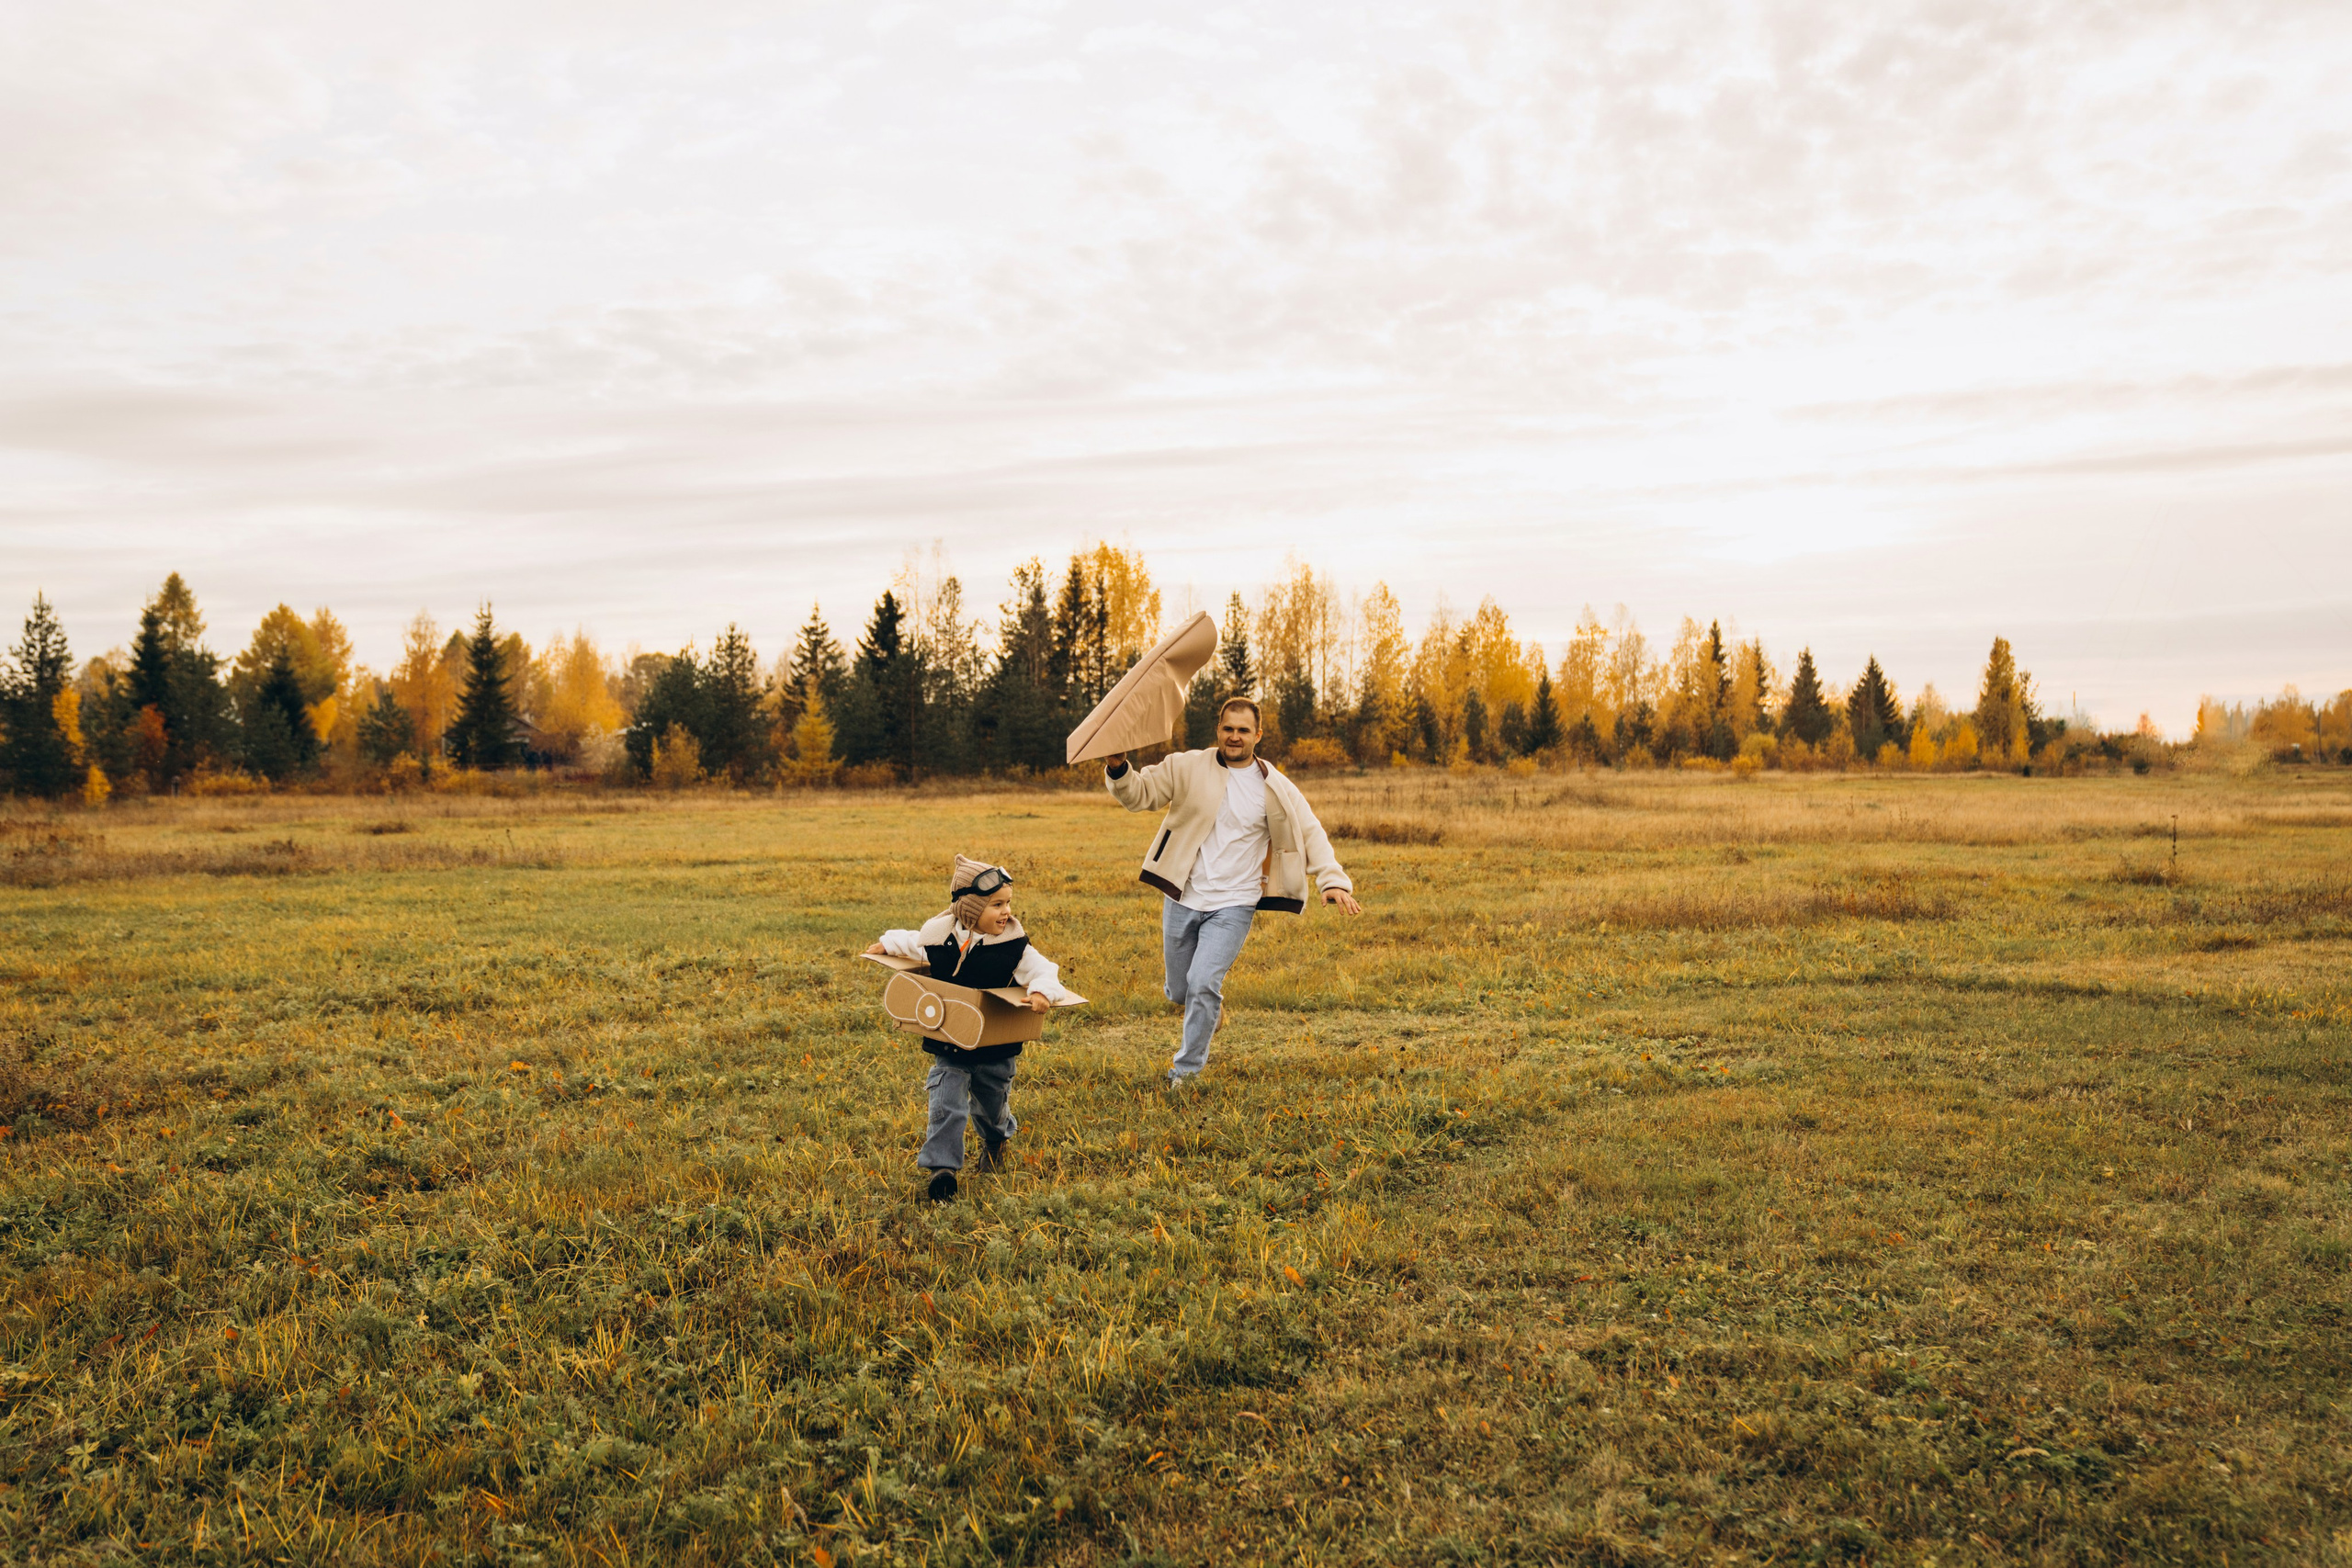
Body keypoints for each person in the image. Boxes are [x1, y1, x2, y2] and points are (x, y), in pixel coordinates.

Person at [1104, 696, 1361, 1089]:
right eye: (1228, 729)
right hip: (1182, 896)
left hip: (1235, 903)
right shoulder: (1186, 765)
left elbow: (1310, 831)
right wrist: (1118, 766)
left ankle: (1185, 1073)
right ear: (1218, 730)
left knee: (1204, 982)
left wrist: (1333, 880)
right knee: (1180, 991)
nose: (1235, 737)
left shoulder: (1274, 785)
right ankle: (1209, 1011)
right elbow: (1139, 794)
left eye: (1243, 730)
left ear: (1258, 734)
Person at [866, 855, 1072, 1201]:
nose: (1006, 912)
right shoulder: (941, 936)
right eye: (996, 905)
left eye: (1007, 903)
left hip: (995, 1049)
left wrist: (1041, 991)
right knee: (946, 1100)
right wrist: (888, 943)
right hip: (950, 1043)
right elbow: (914, 941)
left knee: (990, 1109)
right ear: (969, 908)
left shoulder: (1013, 946)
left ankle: (996, 1139)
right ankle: (943, 1169)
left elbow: (1044, 970)